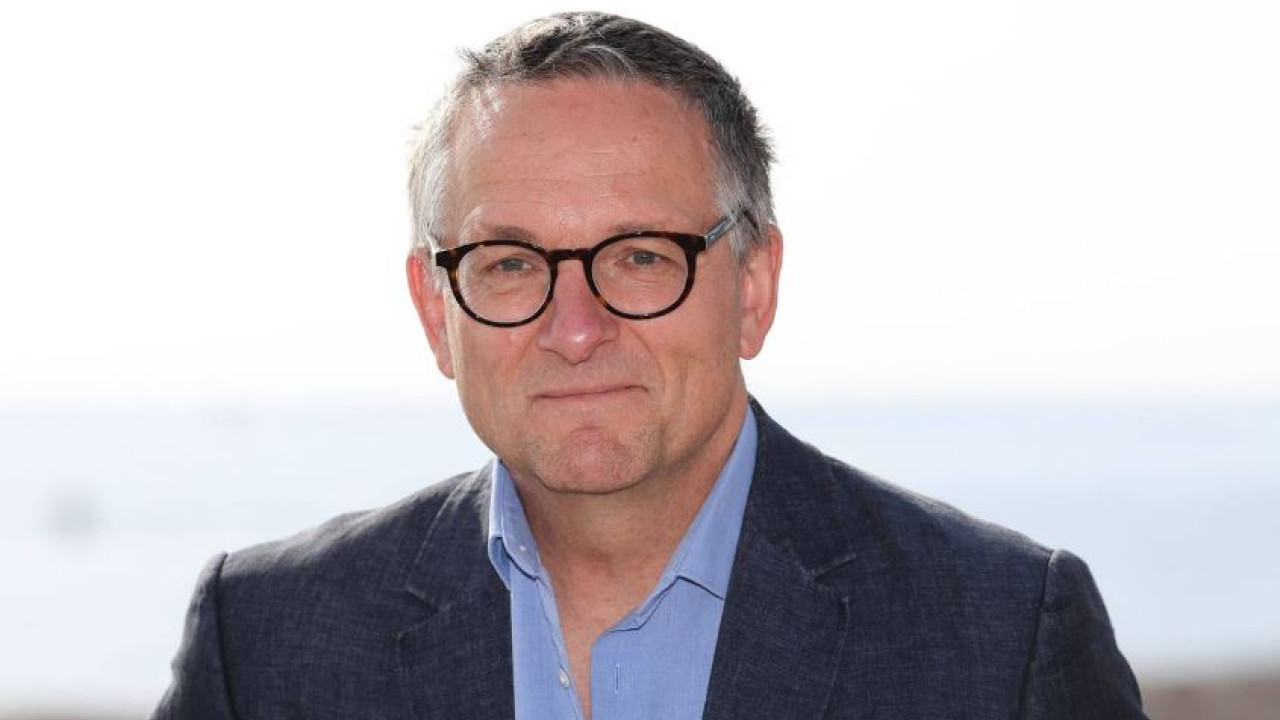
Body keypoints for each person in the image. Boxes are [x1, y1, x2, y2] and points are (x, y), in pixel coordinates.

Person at [152, 11, 1147, 720]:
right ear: (433, 309)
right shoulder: (267, 644)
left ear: (752, 285)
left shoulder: (1002, 639)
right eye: (509, 264)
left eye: (639, 258)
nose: (576, 329)